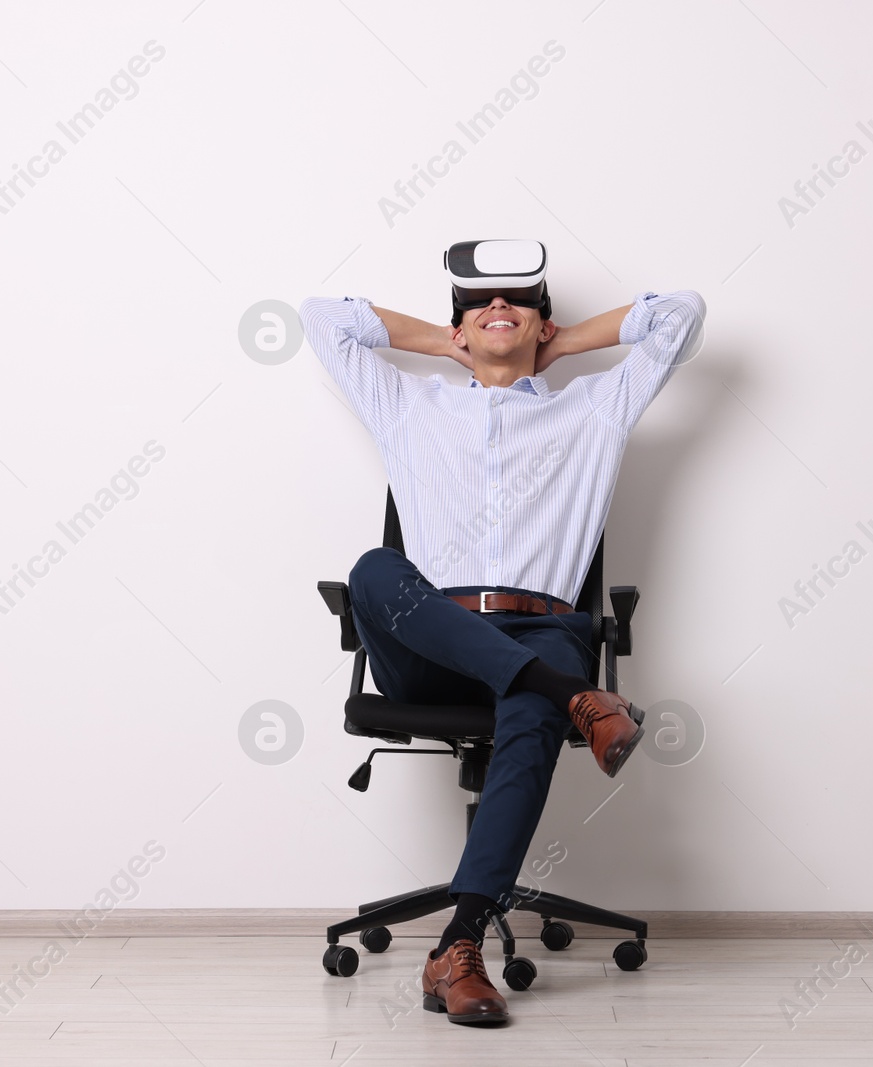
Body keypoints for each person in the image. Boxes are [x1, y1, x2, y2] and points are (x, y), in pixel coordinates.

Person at [300, 254, 704, 1026]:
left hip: (541, 623)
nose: (498, 305)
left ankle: (457, 945)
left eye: (520, 300)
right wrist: (451, 341)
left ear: (543, 320)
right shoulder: (408, 404)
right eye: (477, 301)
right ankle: (578, 700)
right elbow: (321, 317)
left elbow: (681, 313)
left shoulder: (595, 406)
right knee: (375, 569)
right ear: (456, 323)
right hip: (433, 640)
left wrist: (557, 344)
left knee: (532, 688)